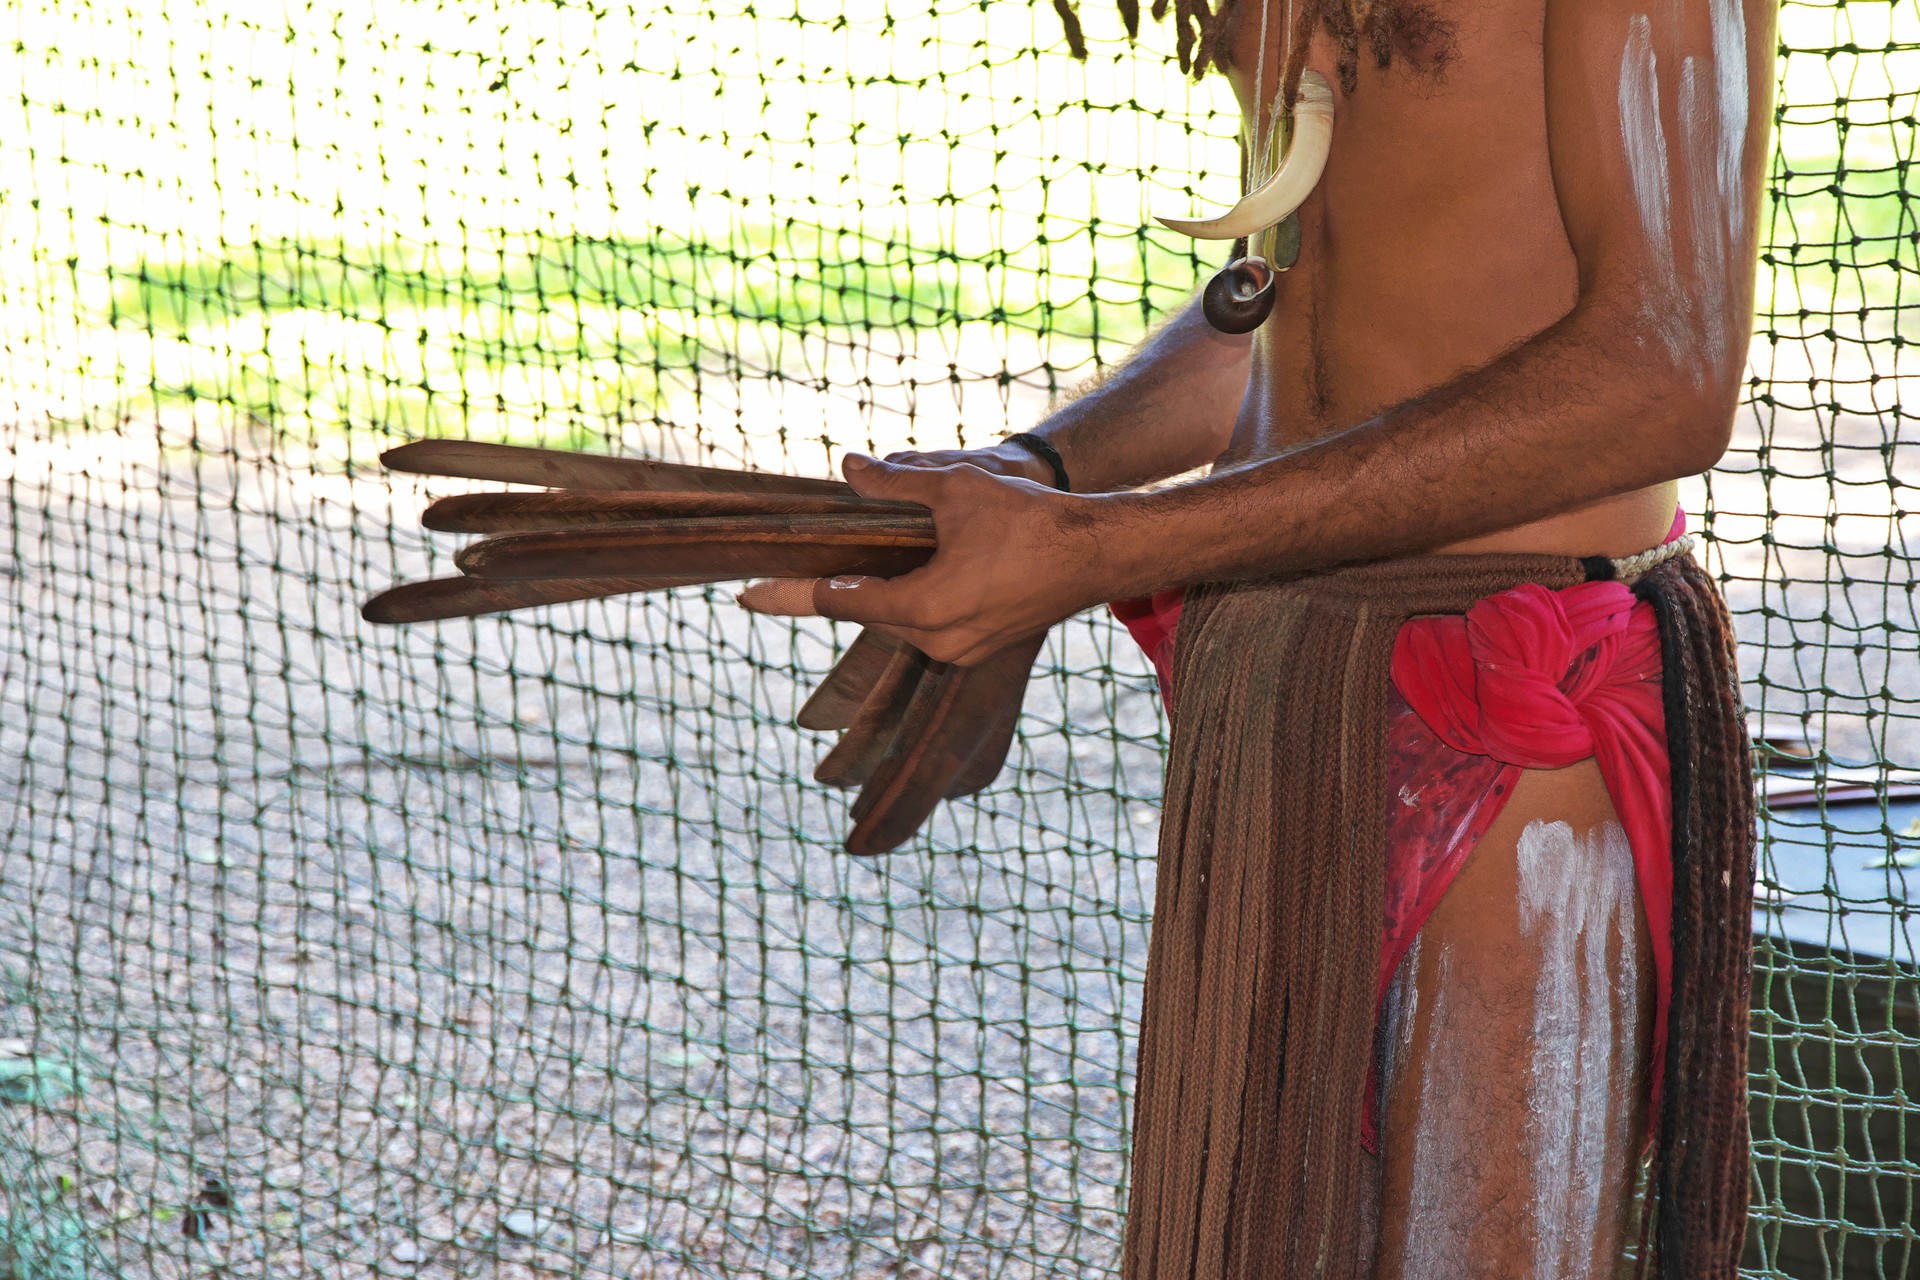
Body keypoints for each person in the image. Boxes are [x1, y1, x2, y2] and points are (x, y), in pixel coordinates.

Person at [741, 2, 1769, 1275]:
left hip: (1511, 701)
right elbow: (1287, 311)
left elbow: (1661, 375)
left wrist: (1103, 549)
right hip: (1280, 684)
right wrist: (1037, 475)